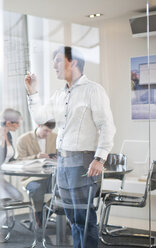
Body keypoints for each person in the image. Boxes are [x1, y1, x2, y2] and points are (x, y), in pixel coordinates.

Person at [24, 46, 116, 248]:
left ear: (73, 62)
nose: (54, 65)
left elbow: (107, 127)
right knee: (72, 218)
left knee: (84, 217)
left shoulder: (94, 90)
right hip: (63, 163)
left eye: (58, 60)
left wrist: (100, 158)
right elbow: (40, 117)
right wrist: (33, 92)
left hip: (83, 162)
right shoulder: (59, 95)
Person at [16, 121, 57, 227]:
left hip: (51, 177)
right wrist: (36, 157)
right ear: (38, 126)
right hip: (31, 178)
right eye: (45, 130)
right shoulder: (23, 139)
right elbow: (19, 160)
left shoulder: (56, 137)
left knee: (62, 188)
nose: (47, 134)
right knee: (37, 189)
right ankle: (39, 213)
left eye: (50, 131)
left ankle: (46, 212)